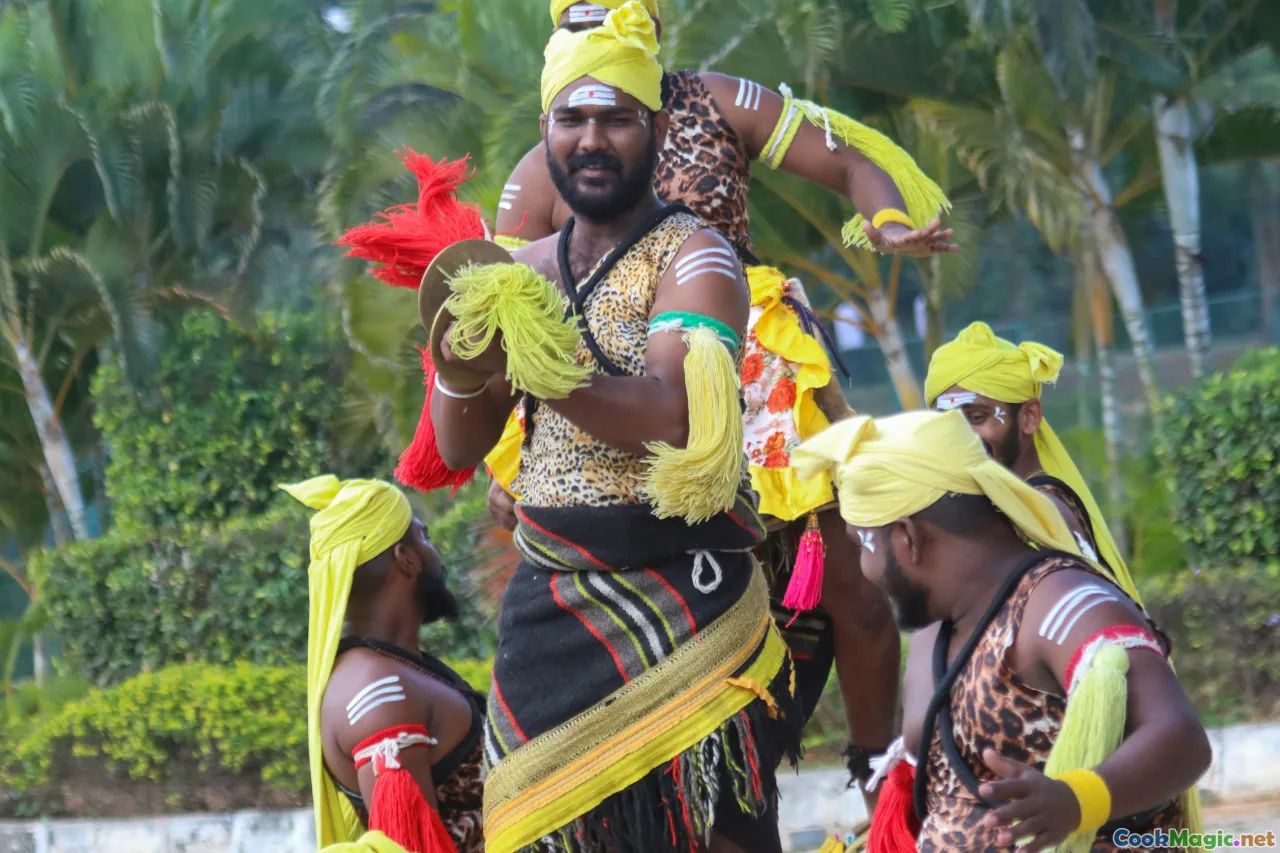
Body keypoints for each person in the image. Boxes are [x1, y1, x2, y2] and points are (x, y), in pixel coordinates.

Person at [484, 0, 945, 797]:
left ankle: (883, 778)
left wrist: (889, 218)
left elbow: (846, 161)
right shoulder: (543, 166)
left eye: (620, 29)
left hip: (755, 366)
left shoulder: (719, 101)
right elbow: (504, 321)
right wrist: (512, 451)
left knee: (855, 590)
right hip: (624, 397)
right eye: (582, 32)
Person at [430, 6, 801, 852]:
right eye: (573, 118)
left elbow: (674, 411)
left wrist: (542, 361)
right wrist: (455, 362)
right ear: (546, 129)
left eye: (616, 118)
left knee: (719, 831)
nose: (592, 139)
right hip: (551, 598)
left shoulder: (697, 259)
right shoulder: (516, 272)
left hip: (686, 593)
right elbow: (457, 447)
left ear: (656, 128)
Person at [793, 412, 1209, 853]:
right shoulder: (935, 634)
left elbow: (1181, 738)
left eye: (863, 546)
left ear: (907, 537)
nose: (864, 572)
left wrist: (1075, 800)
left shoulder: (1060, 604)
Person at [283, 475, 484, 853]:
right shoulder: (380, 692)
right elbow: (410, 846)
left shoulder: (390, 668)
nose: (435, 554)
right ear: (405, 559)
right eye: (424, 538)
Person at [924, 321, 1141, 603]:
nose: (961, 438)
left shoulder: (1039, 513)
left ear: (1029, 416)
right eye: (947, 423)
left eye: (977, 418)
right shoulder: (995, 507)